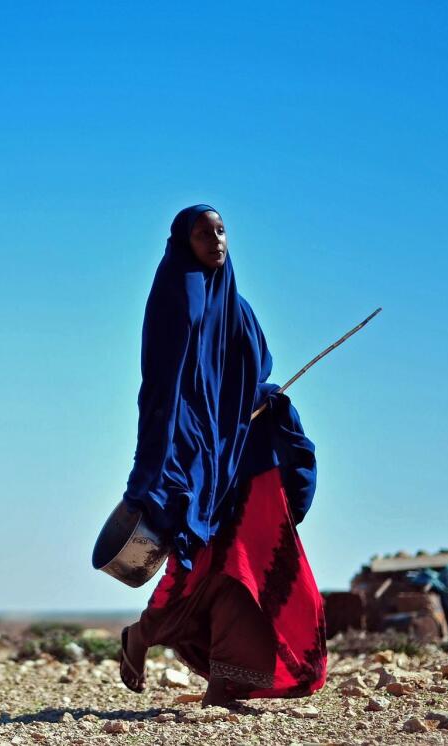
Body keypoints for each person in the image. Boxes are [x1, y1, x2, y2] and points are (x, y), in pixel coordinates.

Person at [117, 204, 326, 705]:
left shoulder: (240, 307)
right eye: (203, 233)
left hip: (248, 453)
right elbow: (163, 389)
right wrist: (155, 467)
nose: (216, 240)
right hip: (195, 457)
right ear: (184, 242)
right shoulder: (174, 296)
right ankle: (142, 635)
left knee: (246, 564)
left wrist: (265, 400)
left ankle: (227, 680)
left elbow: (256, 371)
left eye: (222, 230)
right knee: (197, 562)